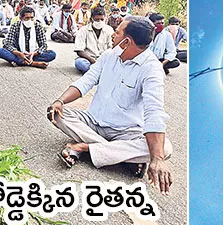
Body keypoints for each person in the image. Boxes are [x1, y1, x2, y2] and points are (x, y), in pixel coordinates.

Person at [48, 16, 173, 194]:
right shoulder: (109, 55)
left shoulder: (151, 69)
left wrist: (158, 158)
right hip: (92, 122)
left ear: (127, 41)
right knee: (56, 114)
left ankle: (85, 147)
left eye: (117, 32)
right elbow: (86, 81)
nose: (112, 35)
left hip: (126, 132)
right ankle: (121, 157)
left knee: (165, 148)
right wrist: (60, 101)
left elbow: (154, 112)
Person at [73, 6, 112, 73]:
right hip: (88, 59)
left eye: (102, 19)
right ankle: (101, 71)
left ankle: (95, 70)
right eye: (97, 20)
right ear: (91, 19)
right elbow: (79, 50)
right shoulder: (83, 30)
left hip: (104, 59)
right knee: (80, 63)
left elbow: (112, 48)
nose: (99, 22)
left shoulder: (109, 29)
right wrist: (93, 61)